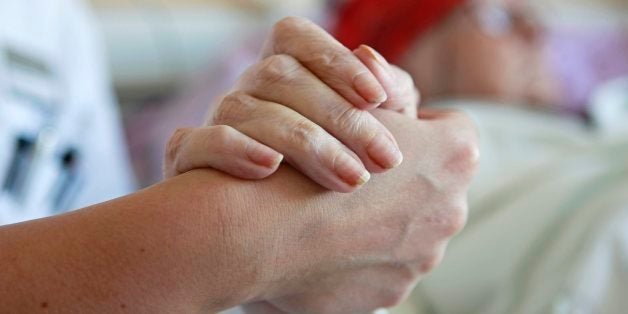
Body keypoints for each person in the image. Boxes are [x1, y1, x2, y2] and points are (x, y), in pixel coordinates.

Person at [0, 3, 479, 314]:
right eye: (494, 14)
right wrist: (235, 238)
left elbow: (97, 221)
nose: (528, 31)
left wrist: (276, 291)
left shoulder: (53, 26)